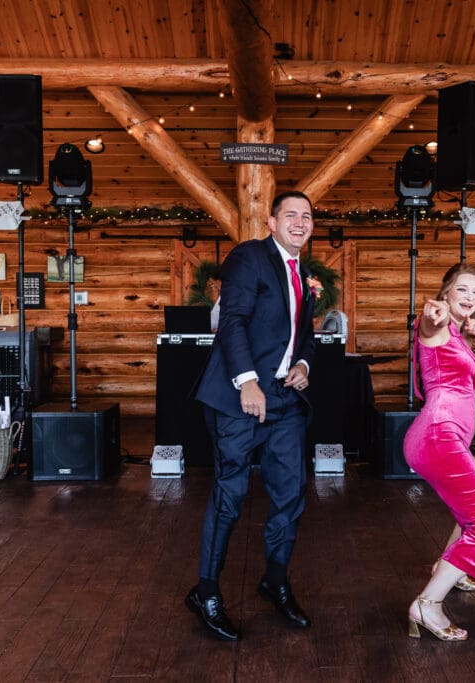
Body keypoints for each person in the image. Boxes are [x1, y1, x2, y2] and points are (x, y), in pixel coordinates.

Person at [187, 191, 317, 641]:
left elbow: (304, 337)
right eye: (291, 215)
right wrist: (247, 381)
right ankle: (205, 591)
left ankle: (275, 580)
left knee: (290, 495)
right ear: (272, 220)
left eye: (307, 216)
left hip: (284, 403)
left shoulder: (302, 274)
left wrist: (303, 365)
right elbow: (233, 321)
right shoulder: (250, 257)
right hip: (238, 400)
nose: (300, 222)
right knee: (230, 495)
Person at [403, 264, 475, 642]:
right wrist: (433, 316)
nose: (469, 298)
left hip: (447, 439)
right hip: (438, 436)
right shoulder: (437, 327)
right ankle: (427, 605)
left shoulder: (463, 336)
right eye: (461, 290)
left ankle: (451, 566)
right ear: (446, 293)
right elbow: (428, 324)